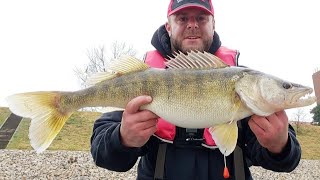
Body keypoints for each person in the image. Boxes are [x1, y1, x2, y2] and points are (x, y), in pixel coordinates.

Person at [90, 0, 301, 179]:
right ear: (168, 26)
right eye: (182, 19)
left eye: (201, 18)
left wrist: (280, 146)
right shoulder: (146, 77)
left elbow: (286, 162)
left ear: (213, 24)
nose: (192, 25)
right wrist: (122, 138)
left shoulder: (245, 82)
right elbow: (103, 154)